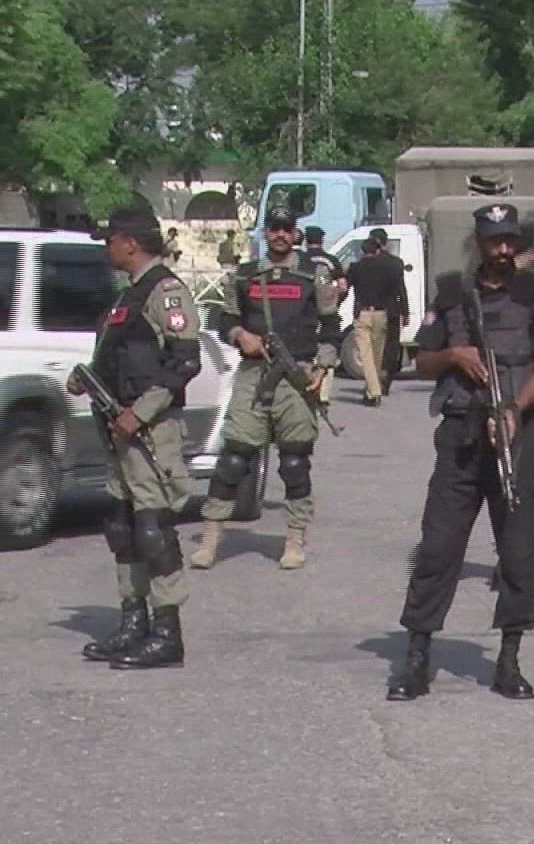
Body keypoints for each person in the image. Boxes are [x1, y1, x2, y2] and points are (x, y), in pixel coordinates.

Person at [387, 203, 534, 702]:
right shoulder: (451, 294)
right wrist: (453, 356)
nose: (503, 250)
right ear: (479, 242)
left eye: (510, 241)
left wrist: (513, 411)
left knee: (520, 552)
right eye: (494, 241)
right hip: (461, 436)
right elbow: (422, 361)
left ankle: (509, 658)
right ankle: (417, 656)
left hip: (517, 436)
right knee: (438, 548)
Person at [73, 208, 201, 669]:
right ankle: (134, 622)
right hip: (118, 427)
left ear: (131, 243)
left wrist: (140, 412)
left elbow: (185, 362)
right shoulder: (127, 295)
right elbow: (121, 356)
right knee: (122, 526)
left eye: (111, 240)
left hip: (150, 429)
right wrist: (87, 379)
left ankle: (167, 634)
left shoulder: (165, 291)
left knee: (153, 528)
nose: (107, 248)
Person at [192, 205, 342, 572]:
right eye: (274, 228)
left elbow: (331, 326)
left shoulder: (313, 275)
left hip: (296, 373)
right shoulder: (245, 276)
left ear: (295, 234)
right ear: (265, 232)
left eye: (286, 229)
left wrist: (322, 367)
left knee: (294, 462)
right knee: (234, 458)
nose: (280, 235)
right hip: (254, 373)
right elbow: (226, 318)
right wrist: (240, 334)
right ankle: (211, 538)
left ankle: (294, 538)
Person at [346, 226, 409, 406]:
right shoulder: (392, 265)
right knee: (378, 354)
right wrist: (404, 311)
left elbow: (345, 287)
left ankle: (373, 391)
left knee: (366, 355)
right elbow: (400, 290)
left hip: (363, 313)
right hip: (383, 313)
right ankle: (375, 387)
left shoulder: (356, 267)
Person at [303, 225, 347, 408]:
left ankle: (307, 386)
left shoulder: (301, 259)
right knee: (328, 347)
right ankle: (324, 395)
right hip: (328, 313)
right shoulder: (331, 261)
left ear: (306, 241)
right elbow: (343, 286)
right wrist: (335, 301)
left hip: (305, 312)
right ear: (321, 240)